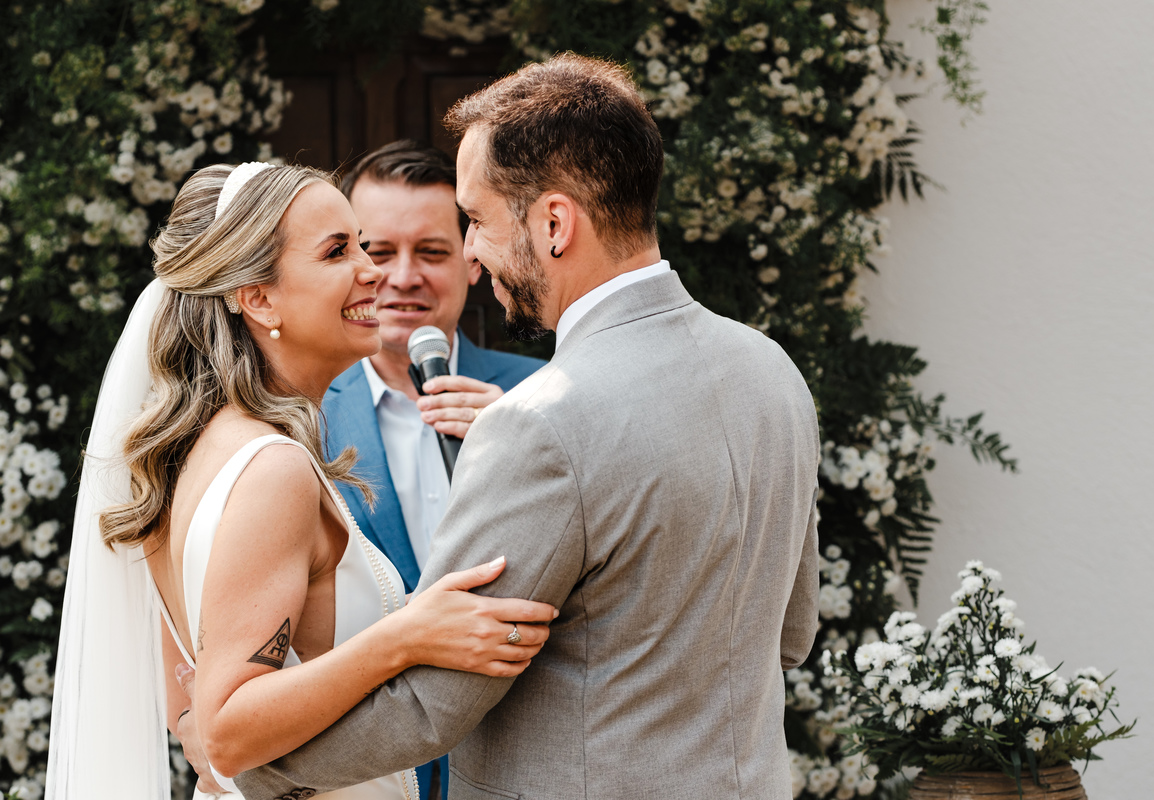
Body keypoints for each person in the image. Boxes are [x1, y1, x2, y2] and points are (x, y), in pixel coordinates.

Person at [237, 52, 820, 800]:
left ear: (553, 223)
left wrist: (249, 766)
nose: (472, 250)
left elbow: (430, 706)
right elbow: (792, 633)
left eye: (475, 219)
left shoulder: (542, 422)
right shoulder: (771, 370)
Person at [46, 161, 557, 800]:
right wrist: (406, 634)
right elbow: (228, 727)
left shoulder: (195, 449)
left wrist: (195, 730)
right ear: (259, 297)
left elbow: (188, 671)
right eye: (339, 251)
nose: (374, 272)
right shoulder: (271, 466)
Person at [328, 142, 546, 800]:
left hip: (519, 756)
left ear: (471, 261)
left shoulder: (545, 397)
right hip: (364, 760)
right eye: (377, 251)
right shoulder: (298, 418)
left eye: (430, 252)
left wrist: (527, 439)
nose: (402, 276)